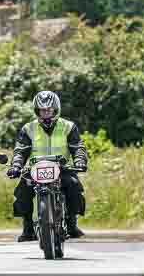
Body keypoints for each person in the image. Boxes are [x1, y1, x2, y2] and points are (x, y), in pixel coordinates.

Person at [8, 91, 88, 242]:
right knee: (22, 192)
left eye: (49, 110)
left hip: (62, 168)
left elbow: (78, 147)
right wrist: (16, 166)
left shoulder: (68, 126)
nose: (46, 113)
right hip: (35, 169)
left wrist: (80, 161)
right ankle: (28, 228)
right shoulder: (28, 128)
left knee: (74, 187)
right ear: (37, 111)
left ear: (55, 109)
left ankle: (71, 223)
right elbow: (20, 151)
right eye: (42, 110)